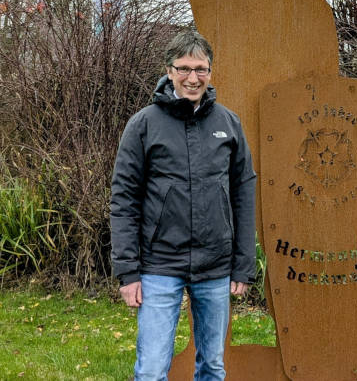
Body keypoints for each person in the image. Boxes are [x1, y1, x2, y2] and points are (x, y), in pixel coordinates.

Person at [110, 31, 257, 381]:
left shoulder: (228, 123)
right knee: (151, 370)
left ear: (210, 71)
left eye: (201, 69)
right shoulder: (143, 125)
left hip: (215, 265)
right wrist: (128, 272)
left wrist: (243, 264)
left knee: (212, 366)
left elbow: (243, 194)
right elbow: (124, 199)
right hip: (159, 264)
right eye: (185, 69)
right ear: (169, 70)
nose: (193, 78)